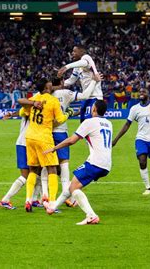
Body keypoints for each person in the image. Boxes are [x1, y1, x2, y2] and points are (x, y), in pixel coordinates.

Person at [43, 100, 112, 225]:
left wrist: (54, 148)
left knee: (74, 188)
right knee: (72, 185)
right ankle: (52, 208)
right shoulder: (108, 123)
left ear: (94, 109)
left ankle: (91, 215)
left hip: (95, 162)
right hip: (106, 164)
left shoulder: (90, 122)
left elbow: (71, 140)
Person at [22, 78, 70, 212]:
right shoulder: (53, 100)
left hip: (30, 136)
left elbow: (22, 112)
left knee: (33, 170)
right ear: (47, 87)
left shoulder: (35, 99)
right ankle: (52, 202)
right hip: (44, 138)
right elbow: (60, 119)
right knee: (52, 169)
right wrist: (68, 114)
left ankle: (28, 200)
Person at [50, 76, 98, 207]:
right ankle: (69, 197)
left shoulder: (43, 94)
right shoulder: (65, 93)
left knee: (48, 165)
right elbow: (85, 95)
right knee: (64, 164)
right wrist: (94, 80)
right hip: (60, 131)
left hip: (46, 132)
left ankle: (42, 197)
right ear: (61, 83)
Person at [0, 99, 44, 210]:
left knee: (39, 171)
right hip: (25, 143)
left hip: (30, 143)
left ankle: (34, 199)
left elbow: (20, 112)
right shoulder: (30, 109)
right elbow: (21, 110)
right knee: (26, 175)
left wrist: (10, 114)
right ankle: (5, 199)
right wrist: (11, 114)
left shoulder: (30, 109)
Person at [58, 45, 103, 122]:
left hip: (95, 97)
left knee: (91, 125)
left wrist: (66, 67)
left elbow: (84, 63)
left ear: (81, 52)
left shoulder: (87, 57)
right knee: (83, 124)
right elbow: (71, 80)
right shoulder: (77, 67)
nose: (72, 53)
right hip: (86, 96)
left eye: (74, 51)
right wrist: (58, 85)